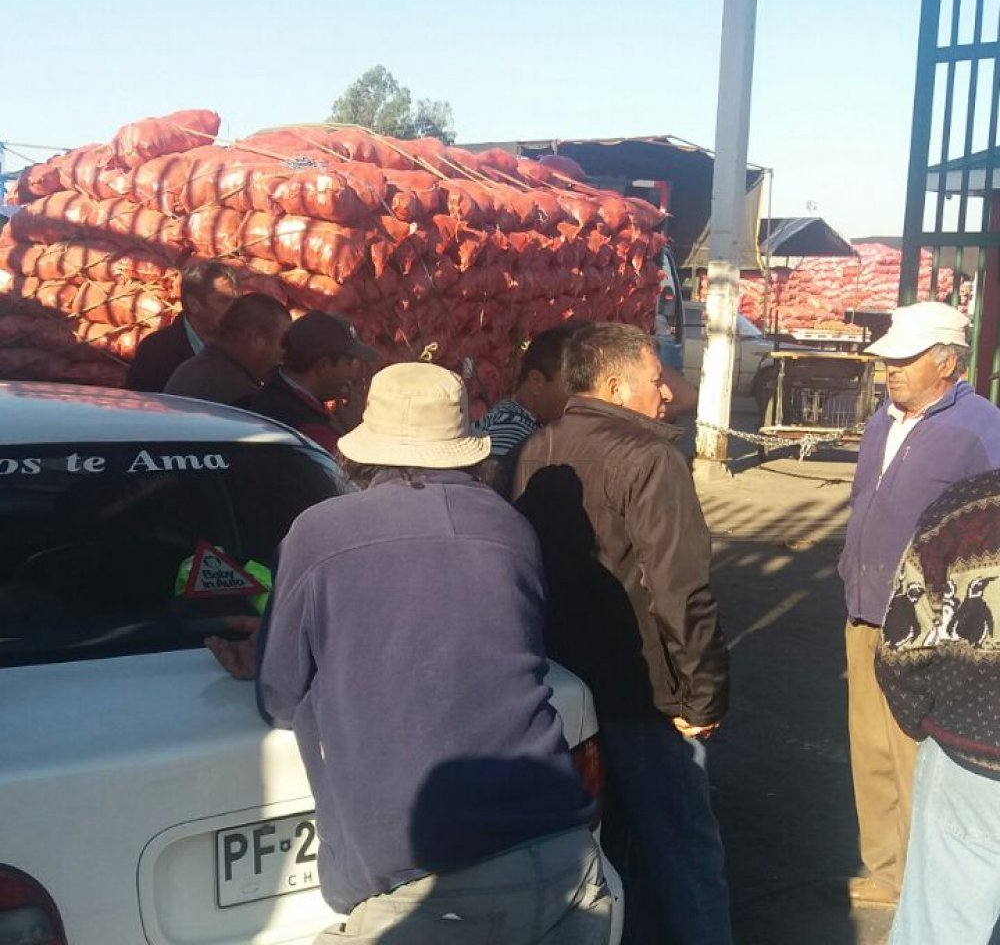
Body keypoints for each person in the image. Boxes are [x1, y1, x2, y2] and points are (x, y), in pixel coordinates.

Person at [210, 362, 613, 944]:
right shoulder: (508, 526)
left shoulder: (319, 530)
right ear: (466, 449)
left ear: (367, 445)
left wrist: (302, 649)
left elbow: (279, 696)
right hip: (562, 849)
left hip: (423, 878)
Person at [512, 322, 731, 945]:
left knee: (605, 849)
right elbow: (682, 590)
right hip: (647, 695)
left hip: (568, 688)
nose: (666, 394)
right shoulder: (650, 457)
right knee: (686, 850)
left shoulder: (537, 449)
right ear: (613, 385)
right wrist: (703, 696)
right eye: (655, 379)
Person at [838, 299, 1000, 906]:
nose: (891, 369)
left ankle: (925, 887)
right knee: (871, 750)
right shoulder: (884, 419)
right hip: (863, 610)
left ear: (947, 362)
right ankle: (888, 873)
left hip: (928, 627)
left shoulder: (980, 428)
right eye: (889, 360)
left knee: (915, 756)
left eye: (905, 359)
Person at [875, 468, 1000, 942]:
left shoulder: (970, 506)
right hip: (972, 756)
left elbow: (899, 646)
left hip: (973, 761)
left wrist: (920, 716)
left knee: (942, 924)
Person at [250, 311, 379, 454]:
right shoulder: (310, 433)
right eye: (348, 363)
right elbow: (349, 472)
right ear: (324, 365)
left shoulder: (271, 393)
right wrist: (356, 429)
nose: (352, 374)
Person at [475, 321, 587, 458]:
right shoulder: (511, 436)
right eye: (579, 384)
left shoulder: (530, 430)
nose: (591, 396)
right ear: (536, 382)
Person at [125, 260, 239, 392]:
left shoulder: (240, 350)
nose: (234, 309)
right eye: (224, 301)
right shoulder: (157, 352)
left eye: (236, 301)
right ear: (194, 304)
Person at [163, 294, 291, 408]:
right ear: (258, 339)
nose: (286, 353)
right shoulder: (241, 396)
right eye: (283, 342)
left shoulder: (191, 368)